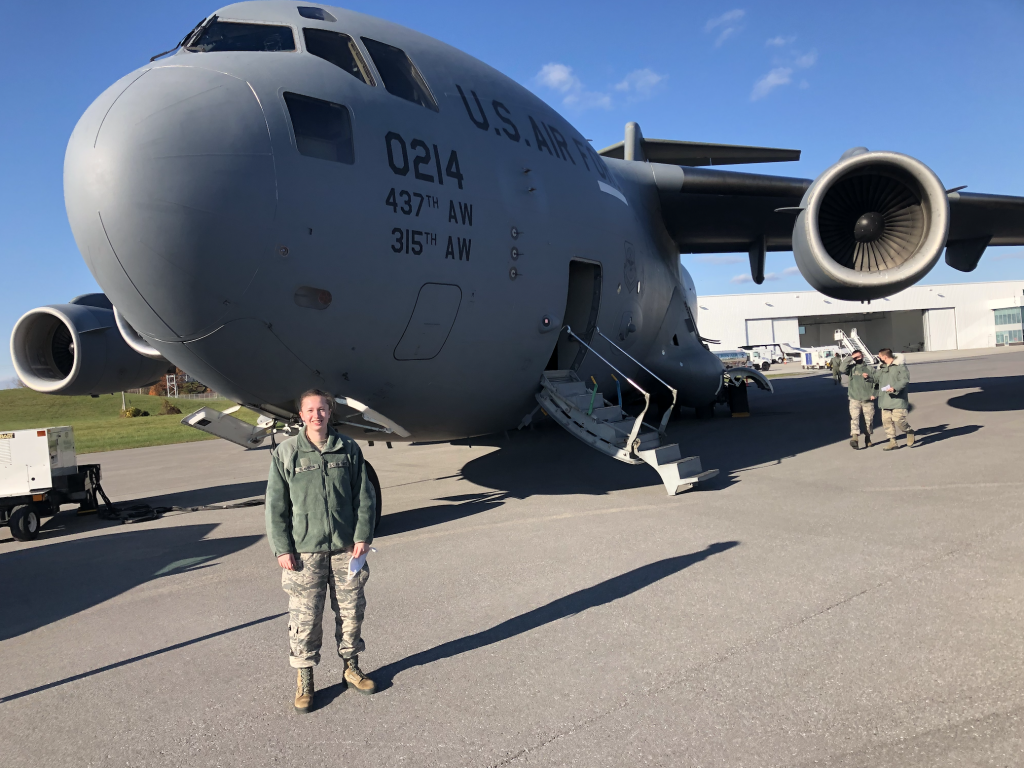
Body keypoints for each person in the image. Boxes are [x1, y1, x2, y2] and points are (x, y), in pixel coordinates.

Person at [265, 388, 378, 714]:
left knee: (351, 610)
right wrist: (282, 548)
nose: (317, 415)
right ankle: (305, 678)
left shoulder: (348, 449)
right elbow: (275, 507)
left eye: (322, 409)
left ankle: (351, 667)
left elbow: (364, 496)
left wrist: (363, 535)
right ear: (301, 415)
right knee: (305, 617)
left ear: (330, 413)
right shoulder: (287, 453)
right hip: (305, 552)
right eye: (310, 410)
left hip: (346, 548)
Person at [867, 348, 915, 450]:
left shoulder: (900, 367)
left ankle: (909, 431)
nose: (879, 358)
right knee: (886, 421)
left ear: (885, 357)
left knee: (898, 420)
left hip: (898, 399)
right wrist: (868, 377)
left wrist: (895, 388)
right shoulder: (882, 368)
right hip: (885, 399)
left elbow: (904, 380)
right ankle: (893, 442)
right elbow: (876, 379)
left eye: (879, 356)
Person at [840, 349, 877, 449]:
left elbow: (877, 381)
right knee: (854, 418)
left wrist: (874, 393)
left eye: (859, 356)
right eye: (856, 357)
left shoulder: (870, 368)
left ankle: (868, 437)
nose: (858, 358)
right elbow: (842, 369)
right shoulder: (852, 368)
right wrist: (851, 358)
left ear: (863, 356)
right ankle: (855, 438)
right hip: (854, 398)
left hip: (867, 399)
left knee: (868, 420)